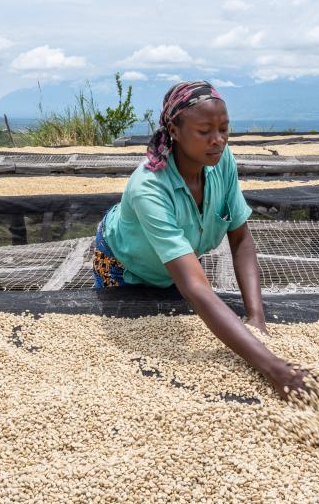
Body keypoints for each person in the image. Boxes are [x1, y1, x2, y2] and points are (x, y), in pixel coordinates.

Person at [94, 80, 305, 400]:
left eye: (224, 129)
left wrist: (256, 319)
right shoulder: (148, 187)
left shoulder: (221, 161)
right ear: (174, 131)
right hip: (124, 265)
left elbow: (240, 239)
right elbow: (195, 287)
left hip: (177, 265)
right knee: (132, 361)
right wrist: (275, 369)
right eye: (204, 131)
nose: (218, 140)